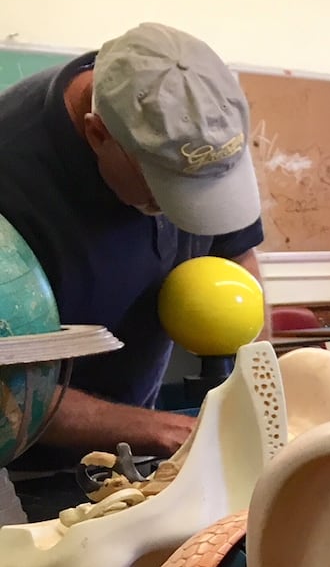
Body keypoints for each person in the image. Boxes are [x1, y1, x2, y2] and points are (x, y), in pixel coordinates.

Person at [0, 23, 265, 467]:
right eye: (165, 193)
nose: (183, 213)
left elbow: (238, 256)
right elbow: (8, 391)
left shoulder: (200, 123)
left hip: (149, 433)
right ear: (98, 134)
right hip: (26, 460)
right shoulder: (13, 171)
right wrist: (155, 430)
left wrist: (261, 390)